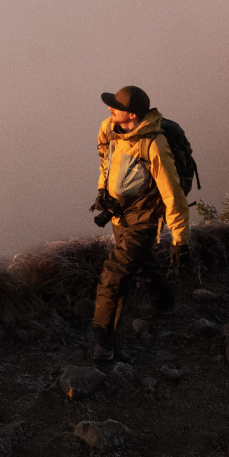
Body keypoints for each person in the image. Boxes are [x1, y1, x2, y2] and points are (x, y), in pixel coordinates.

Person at [89, 85, 188, 361]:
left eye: (116, 106)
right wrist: (103, 192)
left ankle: (103, 343)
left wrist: (180, 238)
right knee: (141, 262)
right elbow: (105, 162)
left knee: (114, 276)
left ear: (132, 114)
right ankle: (165, 302)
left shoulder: (153, 143)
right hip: (120, 213)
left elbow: (173, 193)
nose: (110, 109)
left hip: (144, 218)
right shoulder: (109, 128)